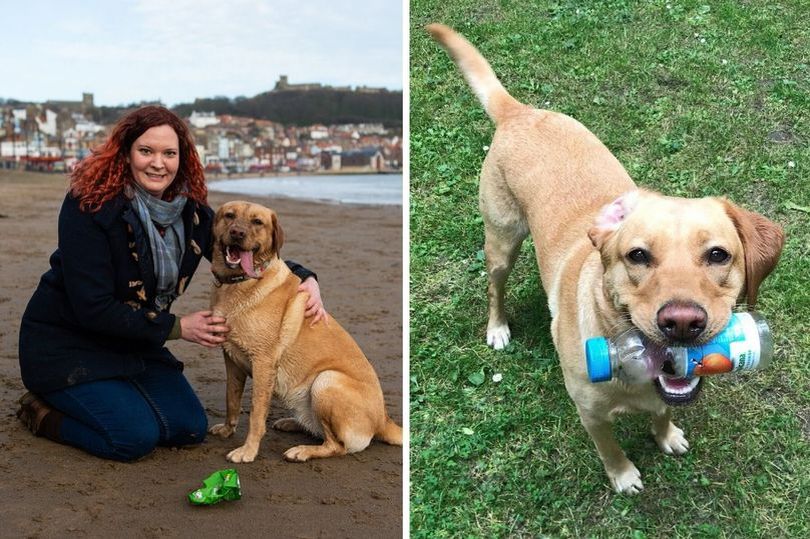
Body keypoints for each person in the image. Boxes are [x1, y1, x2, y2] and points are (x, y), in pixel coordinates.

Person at [16, 105, 327, 462]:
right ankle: (40, 413)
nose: (158, 163)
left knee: (188, 428)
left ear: (183, 159)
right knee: (132, 438)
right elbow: (92, 307)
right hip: (69, 345)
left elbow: (240, 243)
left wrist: (305, 277)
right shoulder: (89, 206)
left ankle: (115, 394)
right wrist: (179, 327)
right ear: (126, 153)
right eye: (146, 151)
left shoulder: (191, 213)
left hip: (132, 342)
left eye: (169, 153)